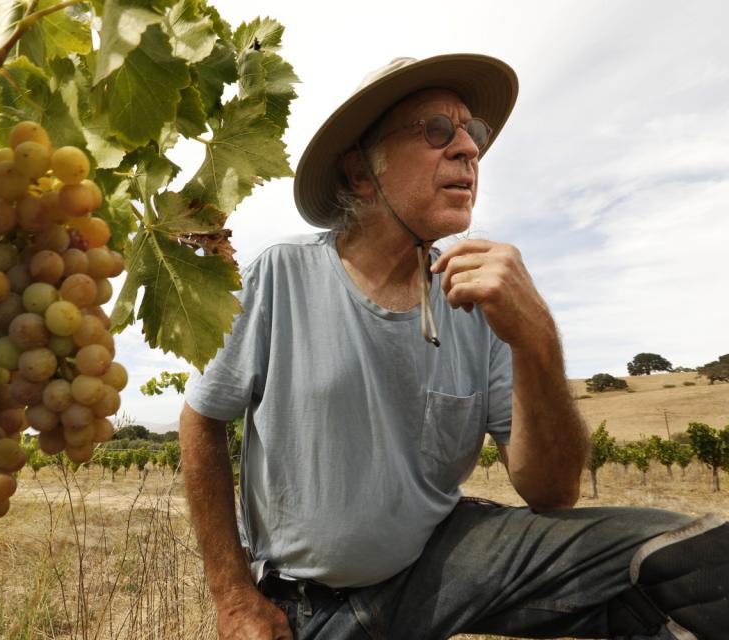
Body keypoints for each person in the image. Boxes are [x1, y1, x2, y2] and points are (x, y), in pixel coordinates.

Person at [179, 54, 728, 640]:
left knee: (699, 560)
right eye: (438, 131)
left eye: (473, 132)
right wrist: (233, 597)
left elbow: (551, 491)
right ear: (363, 173)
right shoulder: (281, 275)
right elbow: (201, 422)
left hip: (441, 564)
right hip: (311, 608)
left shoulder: (479, 302)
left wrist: (536, 338)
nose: (469, 148)